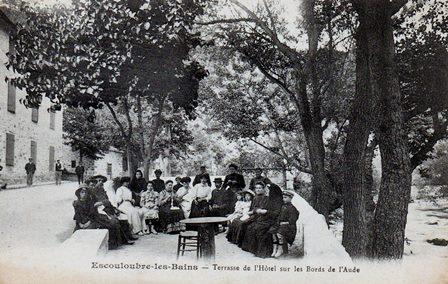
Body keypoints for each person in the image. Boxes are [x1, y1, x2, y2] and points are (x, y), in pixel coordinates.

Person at [241, 182, 283, 258]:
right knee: (251, 227)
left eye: (268, 190)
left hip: (274, 220)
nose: (267, 191)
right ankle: (253, 249)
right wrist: (261, 211)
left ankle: (263, 252)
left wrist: (266, 212)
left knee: (258, 228)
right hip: (266, 218)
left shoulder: (277, 201)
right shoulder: (269, 199)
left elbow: (276, 214)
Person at [269, 190, 300, 258]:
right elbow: (279, 217)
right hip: (281, 224)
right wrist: (278, 222)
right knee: (272, 231)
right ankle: (275, 249)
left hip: (289, 226)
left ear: (290, 198)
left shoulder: (292, 208)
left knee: (279, 233)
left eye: (285, 197)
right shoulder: (283, 207)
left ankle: (280, 249)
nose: (284, 199)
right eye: (283, 197)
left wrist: (283, 223)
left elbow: (292, 220)